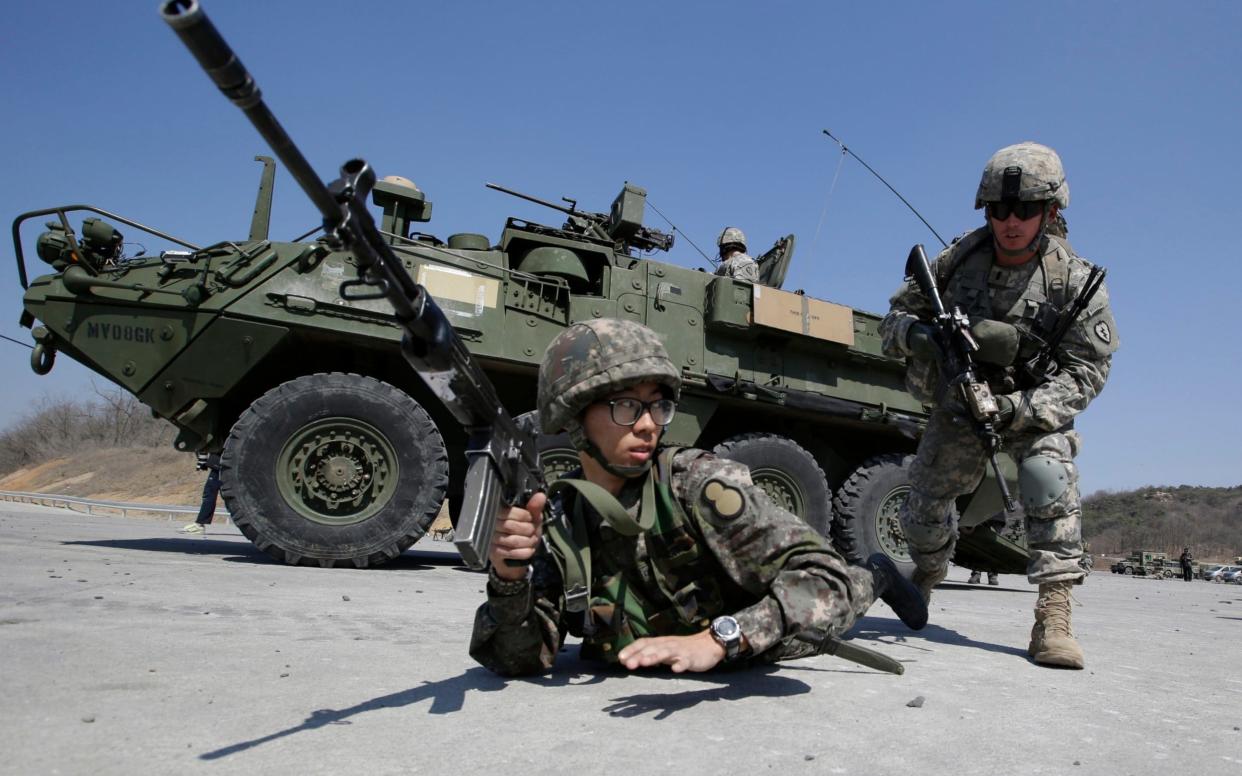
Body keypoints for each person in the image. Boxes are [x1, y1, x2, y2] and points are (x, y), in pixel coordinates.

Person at [469, 318, 926, 676]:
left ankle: (879, 574)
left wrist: (721, 638)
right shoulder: (561, 520)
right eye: (627, 406)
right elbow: (519, 658)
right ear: (573, 417)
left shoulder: (697, 484)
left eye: (657, 405)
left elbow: (828, 581)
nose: (649, 424)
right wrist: (510, 577)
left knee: (851, 590)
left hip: (763, 639)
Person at [879, 141, 1119, 670]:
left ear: (1051, 212)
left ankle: (1053, 615)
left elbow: (1089, 370)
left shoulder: (1074, 281)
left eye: (1025, 210)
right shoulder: (956, 261)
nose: (1010, 221)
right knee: (919, 513)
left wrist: (1018, 409)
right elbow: (891, 321)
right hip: (961, 402)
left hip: (1032, 410)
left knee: (1046, 478)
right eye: (999, 210)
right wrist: (919, 336)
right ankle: (926, 575)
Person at [179, 453, 221, 535]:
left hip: (220, 464)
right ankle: (200, 523)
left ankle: (200, 524)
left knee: (209, 493)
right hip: (221, 464)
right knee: (211, 493)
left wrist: (202, 462)